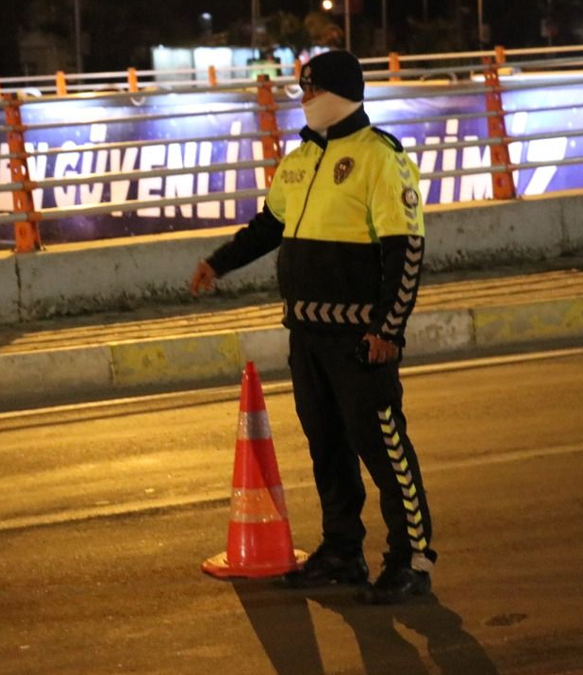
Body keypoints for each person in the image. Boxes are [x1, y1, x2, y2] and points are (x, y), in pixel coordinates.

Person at [189, 51, 436, 604]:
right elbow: (269, 226)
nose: (302, 99)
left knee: (383, 446)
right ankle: (342, 551)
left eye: (310, 89)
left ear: (339, 93)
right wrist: (220, 262)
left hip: (360, 337)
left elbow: (406, 251)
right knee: (327, 446)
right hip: (307, 333)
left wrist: (388, 330)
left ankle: (411, 557)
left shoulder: (381, 158)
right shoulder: (299, 160)